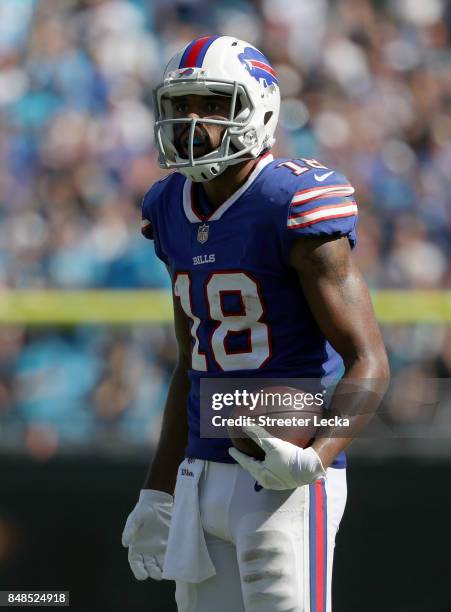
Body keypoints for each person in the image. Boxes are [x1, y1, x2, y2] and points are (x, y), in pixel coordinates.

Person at [122, 35, 389, 612]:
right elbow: (190, 362)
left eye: (213, 105)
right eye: (180, 105)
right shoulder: (168, 204)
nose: (192, 121)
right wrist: (157, 488)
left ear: (258, 107)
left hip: (281, 477)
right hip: (200, 469)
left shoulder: (290, 199)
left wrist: (314, 459)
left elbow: (370, 360)